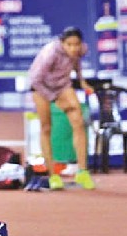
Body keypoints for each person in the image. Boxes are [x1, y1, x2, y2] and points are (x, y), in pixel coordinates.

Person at [27, 27, 96, 190]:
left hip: (62, 85)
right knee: (46, 128)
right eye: (69, 45)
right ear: (62, 43)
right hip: (40, 87)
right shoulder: (50, 53)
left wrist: (82, 80)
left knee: (78, 121)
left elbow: (77, 62)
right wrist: (54, 99)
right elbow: (35, 79)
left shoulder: (81, 49)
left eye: (76, 44)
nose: (74, 48)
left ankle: (82, 171)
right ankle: (53, 176)